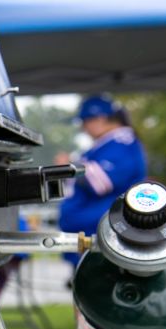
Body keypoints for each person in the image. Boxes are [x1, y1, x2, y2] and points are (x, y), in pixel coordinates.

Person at [58, 94, 148, 266]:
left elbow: (101, 182)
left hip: (104, 234)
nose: (83, 128)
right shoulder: (106, 144)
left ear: (99, 119)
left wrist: (69, 165)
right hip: (89, 233)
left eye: (85, 121)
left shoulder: (122, 142)